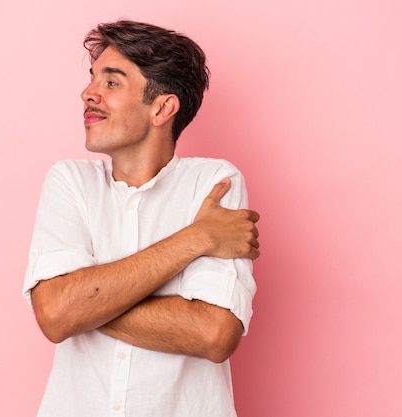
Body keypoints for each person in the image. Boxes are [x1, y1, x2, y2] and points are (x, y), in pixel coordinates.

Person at [23, 20, 260, 417]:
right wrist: (197, 238)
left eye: (111, 82)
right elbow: (55, 315)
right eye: (93, 78)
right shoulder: (70, 181)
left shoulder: (214, 183)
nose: (88, 93)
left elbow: (214, 334)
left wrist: (84, 304)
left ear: (163, 108)